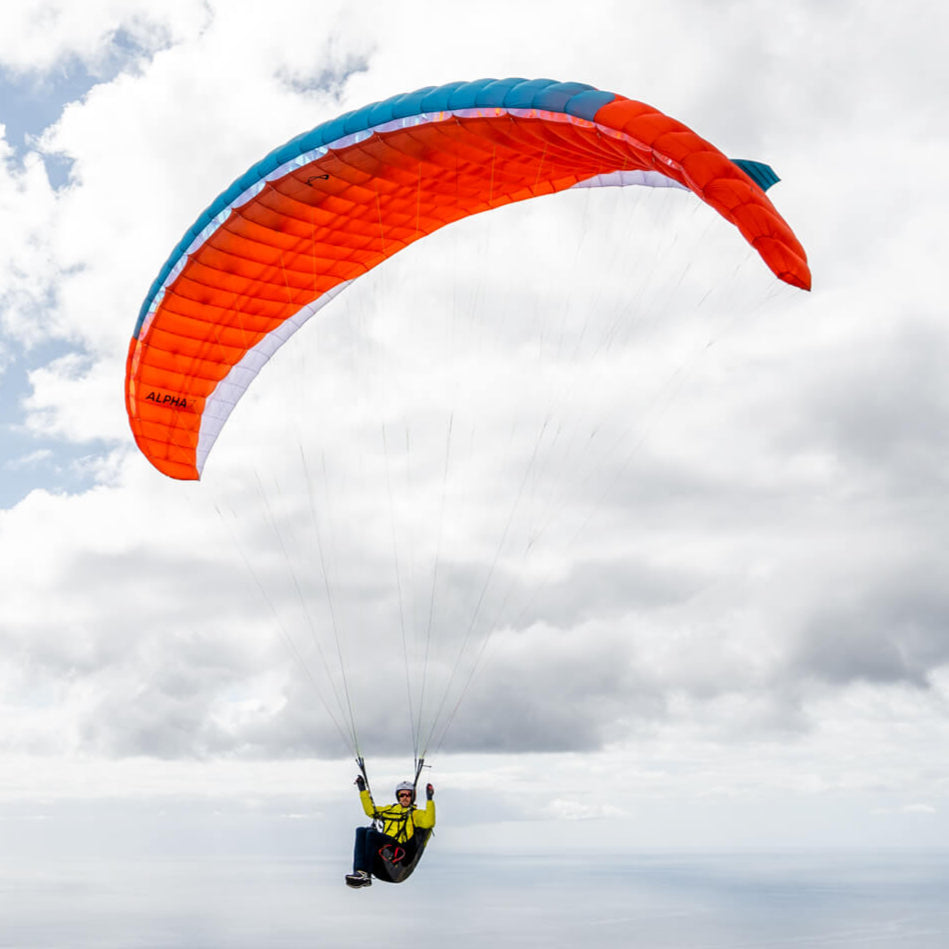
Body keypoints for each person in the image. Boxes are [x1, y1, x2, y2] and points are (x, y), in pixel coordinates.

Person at [345, 776, 435, 888]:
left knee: (371, 834)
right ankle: (360, 872)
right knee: (361, 831)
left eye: (408, 795)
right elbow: (371, 811)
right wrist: (362, 789)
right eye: (402, 795)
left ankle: (366, 874)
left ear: (412, 797)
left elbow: (429, 822)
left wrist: (429, 799)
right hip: (385, 851)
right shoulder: (390, 810)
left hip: (400, 851)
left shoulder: (416, 814)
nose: (405, 798)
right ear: (398, 797)